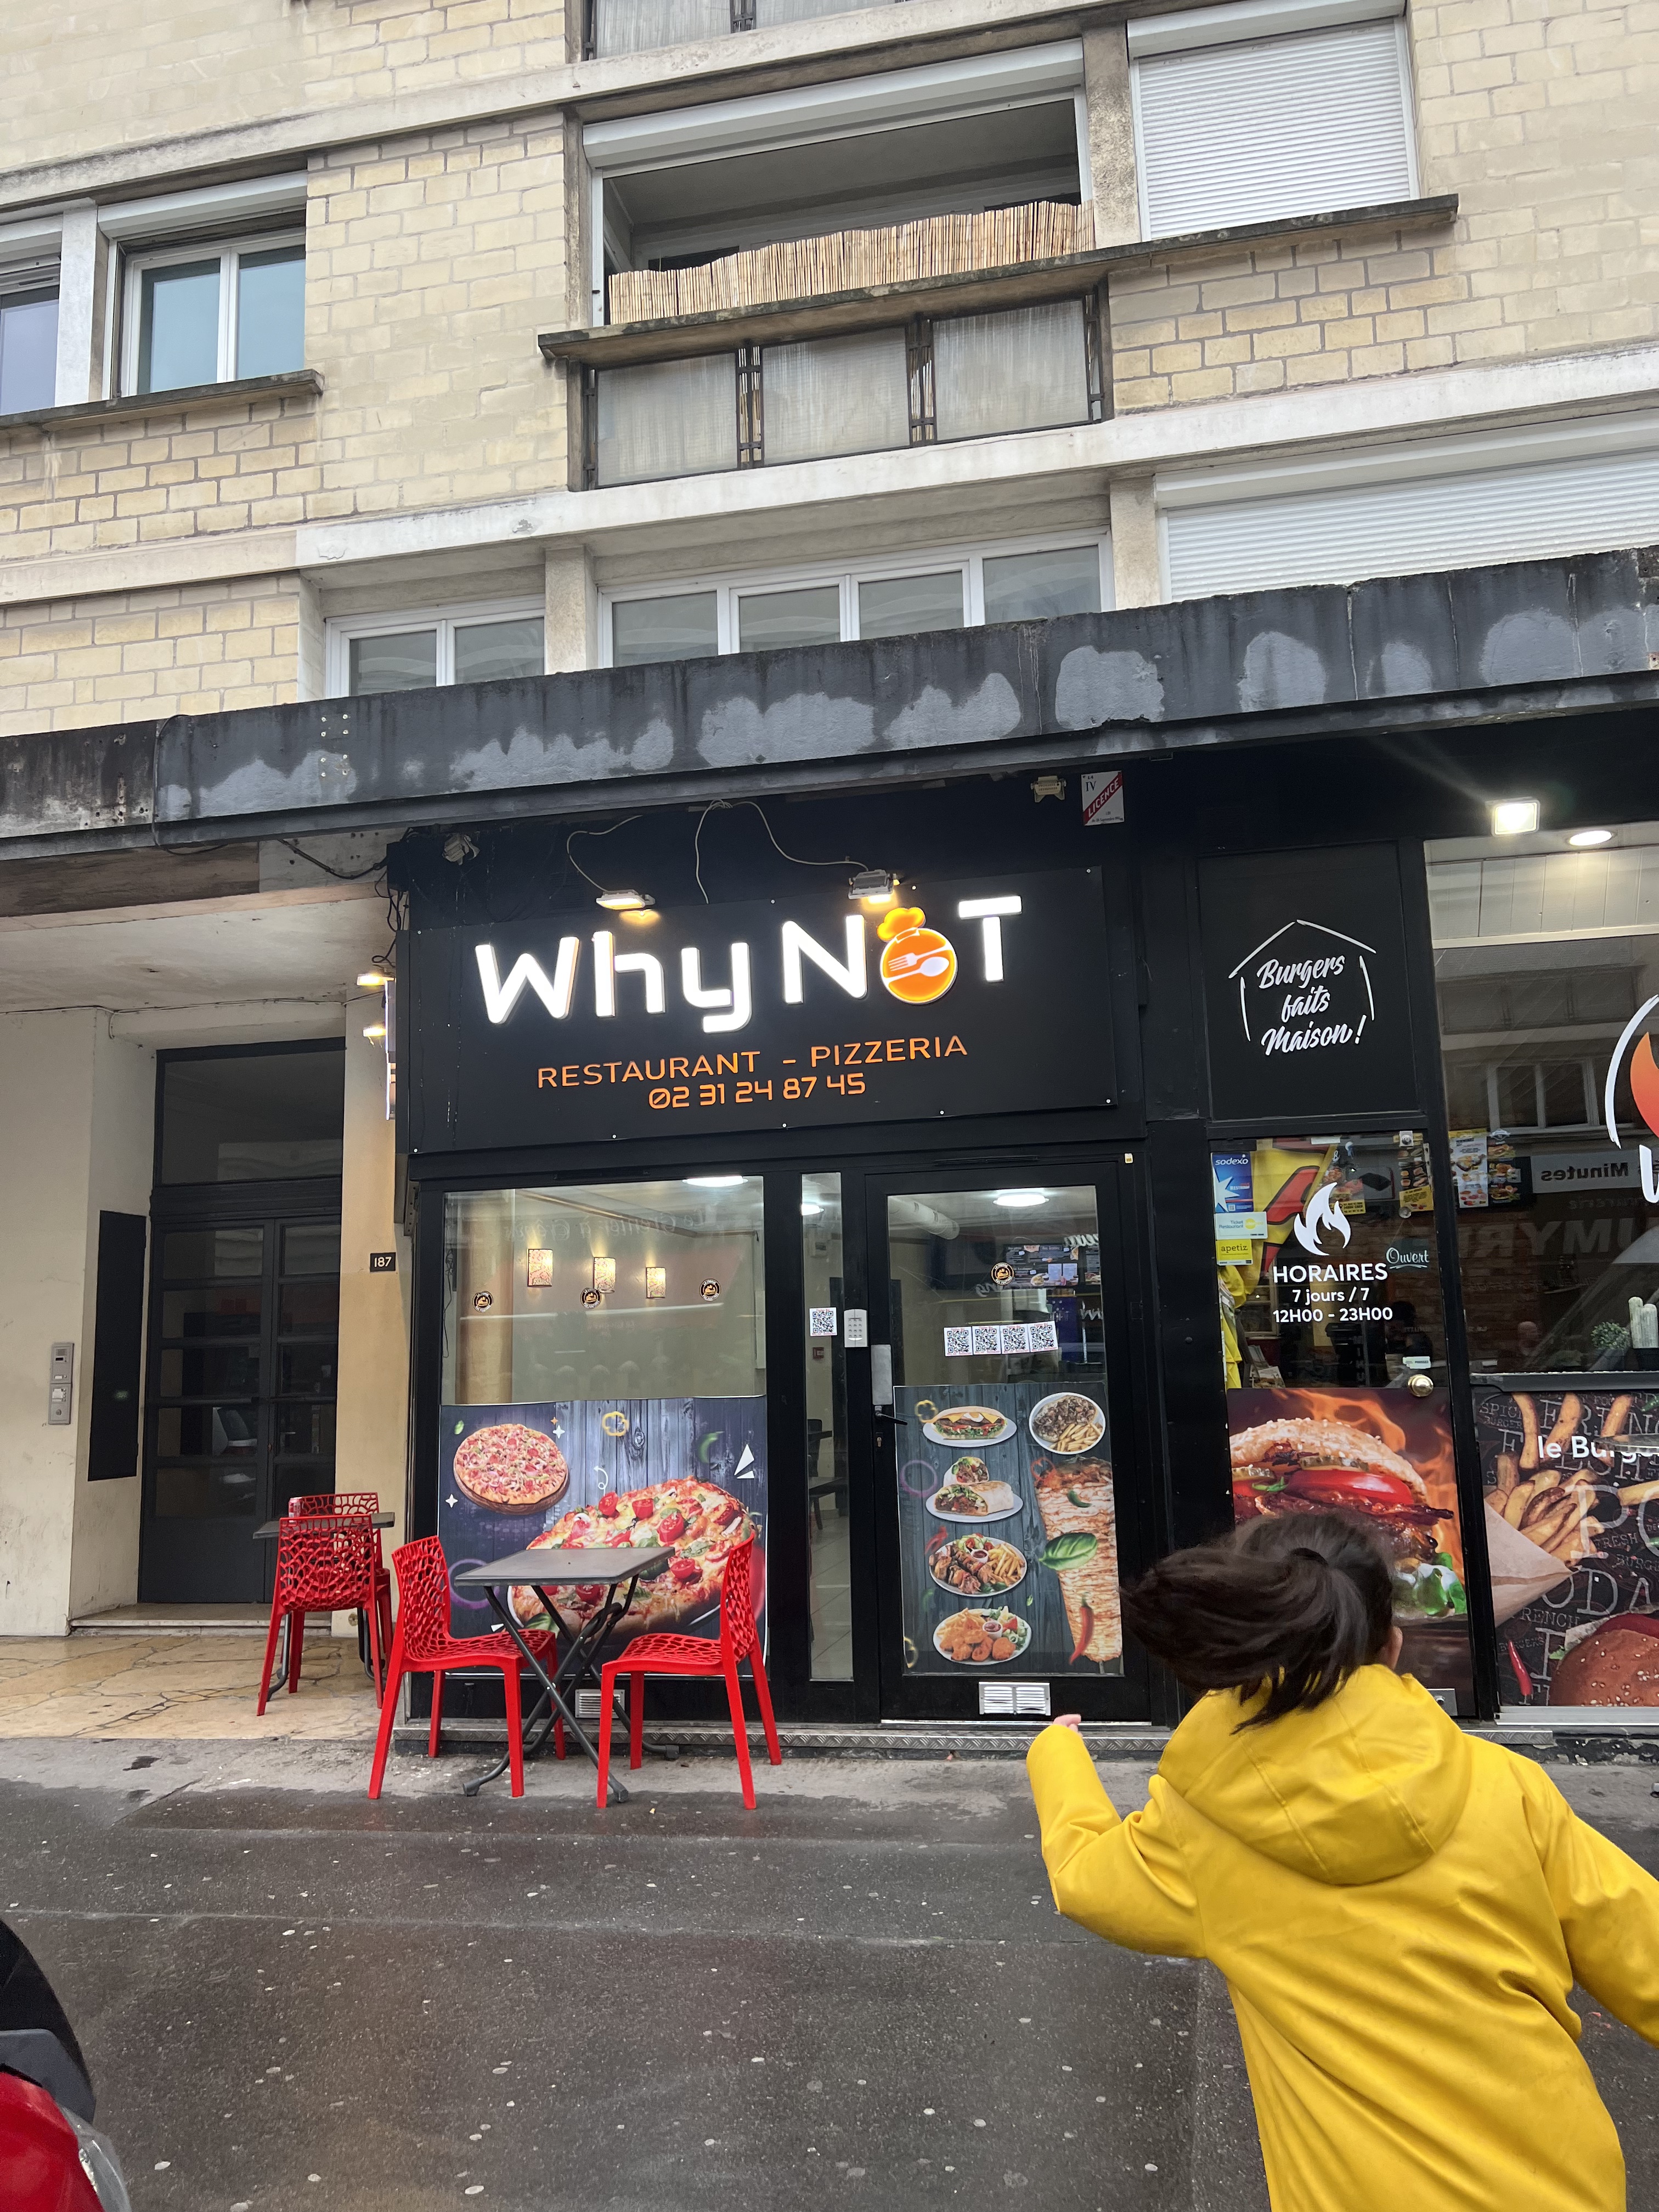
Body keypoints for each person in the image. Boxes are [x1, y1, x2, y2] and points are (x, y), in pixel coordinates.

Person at [1026, 1511, 1659, 2212]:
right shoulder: (1506, 1785)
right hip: (1562, 2183)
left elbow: (1087, 1878)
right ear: (1393, 1645)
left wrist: (1057, 1754)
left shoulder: (1197, 1832)